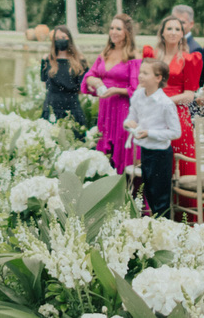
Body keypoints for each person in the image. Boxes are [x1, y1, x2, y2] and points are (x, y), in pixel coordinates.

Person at [143, 14, 202, 211]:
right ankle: (158, 213)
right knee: (156, 168)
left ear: (183, 34)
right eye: (169, 28)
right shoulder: (151, 57)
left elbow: (190, 95)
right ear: (162, 32)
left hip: (178, 116)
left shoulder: (189, 59)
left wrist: (165, 102)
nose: (173, 32)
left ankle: (184, 217)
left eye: (178, 29)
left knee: (180, 168)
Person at [81, 14, 141, 174]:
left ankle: (126, 191)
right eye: (111, 28)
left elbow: (137, 89)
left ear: (127, 32)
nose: (113, 32)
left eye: (118, 28)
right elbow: (89, 76)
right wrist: (96, 81)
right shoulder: (105, 53)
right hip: (105, 109)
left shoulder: (134, 56)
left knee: (122, 150)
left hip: (124, 110)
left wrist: (116, 90)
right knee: (104, 152)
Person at [124, 58, 181, 218]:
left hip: (161, 155)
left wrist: (150, 133)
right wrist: (129, 123)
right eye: (140, 72)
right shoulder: (138, 95)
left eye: (145, 73)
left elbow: (176, 132)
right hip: (145, 151)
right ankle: (152, 230)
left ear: (158, 78)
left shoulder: (165, 103)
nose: (140, 76)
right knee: (148, 193)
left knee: (160, 198)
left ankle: (163, 229)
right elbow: (132, 115)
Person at [40, 25, 87, 128]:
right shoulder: (47, 60)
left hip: (72, 106)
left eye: (63, 38)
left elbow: (82, 88)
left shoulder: (80, 61)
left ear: (69, 39)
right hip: (51, 106)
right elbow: (45, 83)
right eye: (57, 38)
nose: (60, 41)